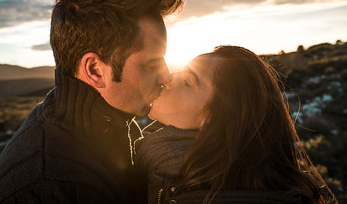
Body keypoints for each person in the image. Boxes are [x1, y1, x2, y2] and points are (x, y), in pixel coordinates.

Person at [0, 0, 183, 203]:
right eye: (151, 65)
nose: (166, 76)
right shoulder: (51, 185)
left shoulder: (111, 124)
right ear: (95, 70)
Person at [136, 45, 337, 204]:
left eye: (188, 82)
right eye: (180, 69)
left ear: (218, 119)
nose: (168, 78)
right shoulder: (156, 165)